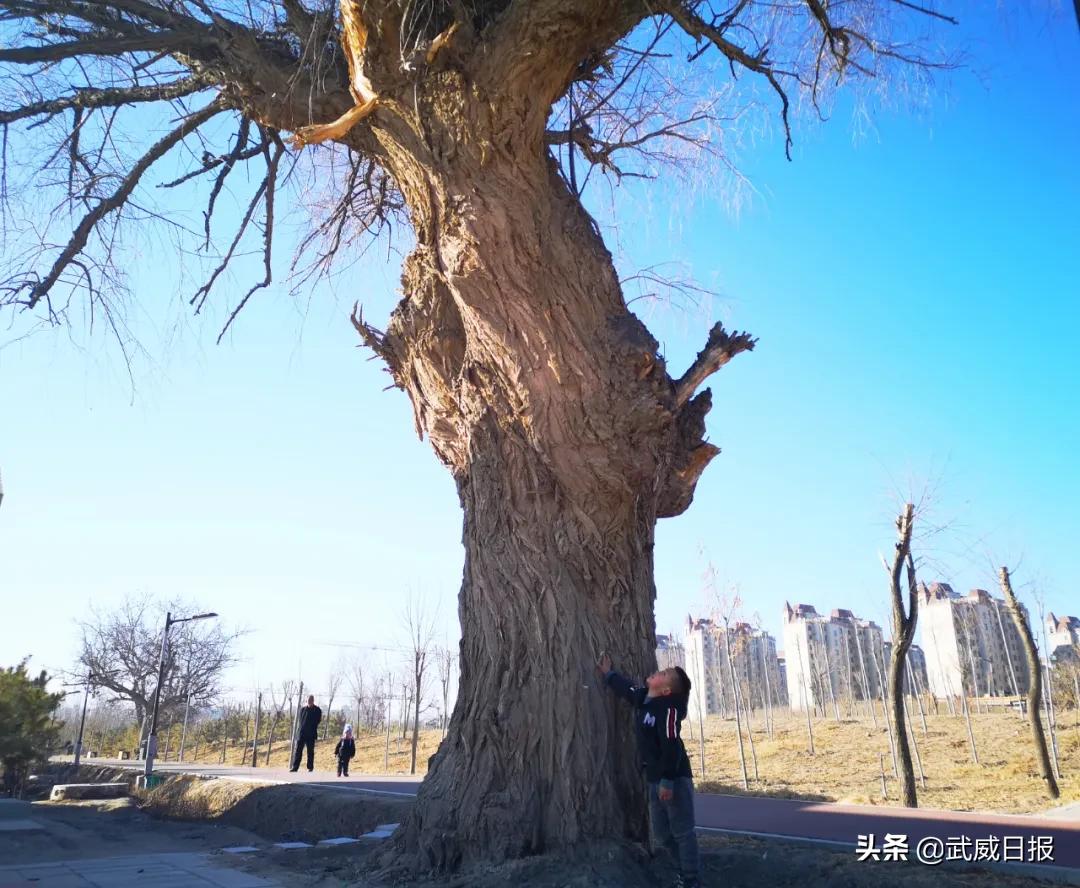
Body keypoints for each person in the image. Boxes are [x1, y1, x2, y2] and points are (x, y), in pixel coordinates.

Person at [598, 651, 699, 888]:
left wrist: (667, 780)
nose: (657, 672)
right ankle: (679, 872)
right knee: (662, 834)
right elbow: (628, 690)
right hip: (654, 780)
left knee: (683, 832)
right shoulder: (644, 698)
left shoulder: (669, 711)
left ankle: (691, 879)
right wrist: (609, 674)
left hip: (674, 778)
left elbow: (671, 745)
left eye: (663, 675)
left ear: (666, 691)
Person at [289, 695, 322, 772]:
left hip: (311, 734)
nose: (309, 702)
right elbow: (300, 721)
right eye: (308, 701)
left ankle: (310, 767)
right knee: (298, 751)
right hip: (301, 733)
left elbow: (318, 721)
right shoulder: (303, 709)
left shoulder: (317, 710)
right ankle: (295, 767)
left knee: (310, 751)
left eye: (311, 701)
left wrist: (311, 727)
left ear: (313, 701)